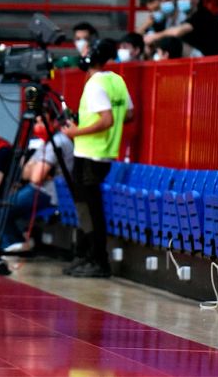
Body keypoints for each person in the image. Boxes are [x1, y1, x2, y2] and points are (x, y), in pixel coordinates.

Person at [62, 38, 134, 278]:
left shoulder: (94, 84)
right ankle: (87, 256)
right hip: (104, 153)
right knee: (89, 208)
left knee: (90, 210)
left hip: (89, 154)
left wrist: (75, 131)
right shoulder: (117, 80)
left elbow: (106, 120)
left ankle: (97, 261)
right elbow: (128, 114)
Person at [0, 112, 74, 252]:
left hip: (48, 193)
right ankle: (16, 243)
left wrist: (35, 170)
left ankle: (10, 244)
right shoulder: (44, 142)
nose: (38, 126)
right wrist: (36, 171)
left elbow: (35, 177)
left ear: (54, 123)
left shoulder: (57, 142)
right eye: (36, 122)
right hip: (36, 188)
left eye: (42, 122)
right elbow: (23, 171)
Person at [144, 0, 218, 57]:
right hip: (201, 61)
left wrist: (155, 36)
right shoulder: (188, 18)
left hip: (211, 62)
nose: (181, 0)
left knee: (174, 44)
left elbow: (178, 32)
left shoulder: (203, 15)